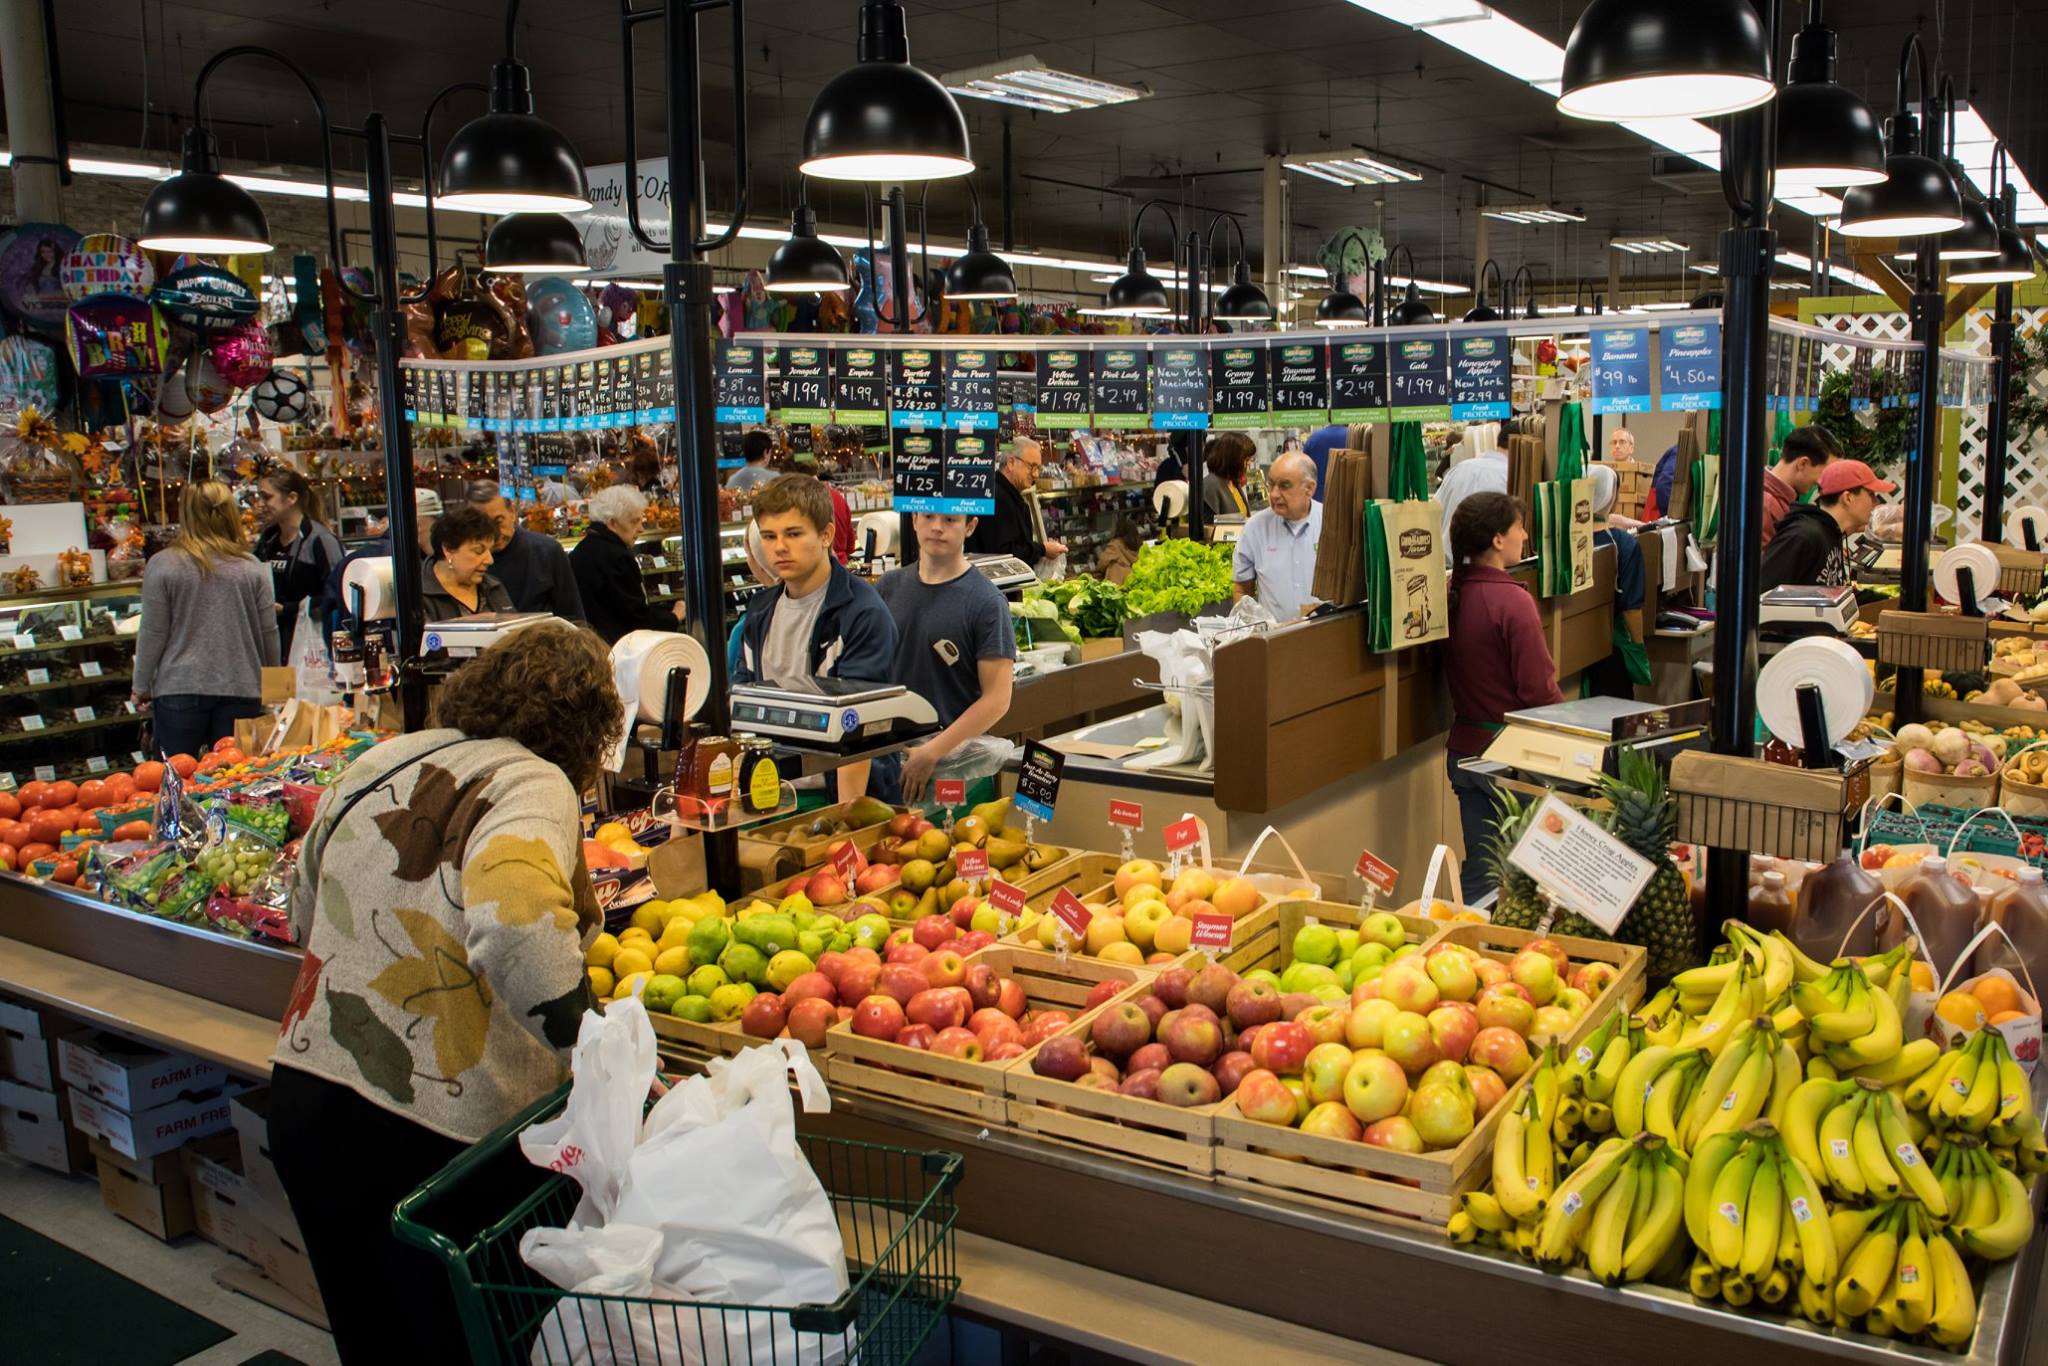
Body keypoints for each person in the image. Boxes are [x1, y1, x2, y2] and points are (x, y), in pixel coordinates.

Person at [267, 622, 622, 1366]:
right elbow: (517, 923)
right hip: (433, 1132)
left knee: (372, 1337)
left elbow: (301, 912)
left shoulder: (385, 758)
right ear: (592, 726)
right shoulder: (532, 781)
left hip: (308, 1093)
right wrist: (592, 1048)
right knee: (464, 1342)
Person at [734, 476, 899, 801]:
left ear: (826, 534)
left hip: (843, 793)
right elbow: (743, 705)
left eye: (793, 534)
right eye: (769, 536)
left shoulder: (861, 612)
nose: (779, 547)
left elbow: (859, 726)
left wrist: (846, 821)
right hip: (774, 790)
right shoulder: (760, 612)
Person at [1445, 492, 1564, 902]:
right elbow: (1538, 691)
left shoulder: (1449, 593)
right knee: (1523, 882)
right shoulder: (1513, 601)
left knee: (1481, 872)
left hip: (1463, 752)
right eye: (1519, 527)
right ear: (1498, 539)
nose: (1525, 535)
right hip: (1511, 758)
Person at [877, 512, 1017, 803]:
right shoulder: (887, 588)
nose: (937, 527)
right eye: (928, 516)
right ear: (914, 520)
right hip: (889, 764)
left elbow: (997, 699)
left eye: (950, 520)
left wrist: (932, 752)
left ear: (970, 526)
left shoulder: (987, 602)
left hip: (956, 772)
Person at [133, 481, 280, 757]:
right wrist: (278, 690)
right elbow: (269, 632)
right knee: (237, 780)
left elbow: (153, 631)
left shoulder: (163, 565)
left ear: (185, 515)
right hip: (242, 686)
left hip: (179, 687)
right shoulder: (252, 568)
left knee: (178, 782)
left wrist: (140, 686)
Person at [569, 484, 685, 644]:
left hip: (594, 644)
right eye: (635, 522)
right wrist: (674, 616)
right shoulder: (617, 557)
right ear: (612, 523)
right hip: (618, 647)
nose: (641, 528)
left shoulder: (582, 548)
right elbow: (636, 618)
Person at [1759, 458, 1893, 593]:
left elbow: (1834, 594)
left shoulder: (1832, 534)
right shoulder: (1804, 536)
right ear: (1848, 498)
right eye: (1871, 495)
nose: (1876, 502)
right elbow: (1761, 594)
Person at [252, 467, 344, 662]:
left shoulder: (319, 540)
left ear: (291, 498)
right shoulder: (267, 541)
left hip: (312, 646)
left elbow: (338, 595)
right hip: (273, 644)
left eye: (266, 497)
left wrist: (288, 608)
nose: (260, 504)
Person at [467, 480, 585, 620]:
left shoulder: (547, 551)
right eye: (484, 524)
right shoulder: (465, 560)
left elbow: (573, 616)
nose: (494, 532)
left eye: (499, 521)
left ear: (512, 512)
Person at [329, 488, 441, 630]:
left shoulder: (355, 559)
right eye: (435, 526)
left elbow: (329, 611)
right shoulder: (405, 562)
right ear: (416, 525)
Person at [1232, 451, 1323, 620]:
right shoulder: (1255, 528)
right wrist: (1250, 628)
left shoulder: (1331, 523)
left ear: (1309, 488)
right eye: (1271, 484)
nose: (1274, 494)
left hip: (1325, 635)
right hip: (1273, 639)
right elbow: (1242, 589)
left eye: (1284, 486)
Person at [968, 437, 1067, 565]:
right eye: (1032, 466)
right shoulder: (998, 497)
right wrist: (1042, 549)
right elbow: (1003, 554)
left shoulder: (1004, 492)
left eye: (1039, 468)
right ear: (1011, 463)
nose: (1036, 474)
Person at [422, 504, 516, 622]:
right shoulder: (420, 595)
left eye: (490, 551)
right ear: (448, 549)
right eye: (478, 551)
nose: (490, 560)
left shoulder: (494, 586)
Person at [1763, 425, 1839, 546]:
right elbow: (1768, 563)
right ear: (1803, 464)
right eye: (1826, 472)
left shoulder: (1784, 498)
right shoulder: (1765, 505)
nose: (1823, 483)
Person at [1435, 433, 1510, 546]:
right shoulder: (1508, 474)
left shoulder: (1459, 468)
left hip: (1447, 557)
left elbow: (1435, 511)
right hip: (1487, 559)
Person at [1201, 433, 1254, 521]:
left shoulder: (1233, 482)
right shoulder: (1210, 485)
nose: (1248, 463)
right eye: (1246, 459)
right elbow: (1209, 524)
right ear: (1233, 459)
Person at [1303, 423, 1347, 505]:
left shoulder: (1313, 438)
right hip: (1346, 495)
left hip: (1319, 495)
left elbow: (1304, 468)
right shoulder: (1354, 437)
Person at [1097, 516, 1144, 585]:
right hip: (1134, 581)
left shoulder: (1115, 545)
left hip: (1117, 584)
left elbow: (1102, 563)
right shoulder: (1139, 545)